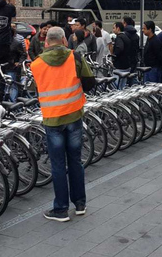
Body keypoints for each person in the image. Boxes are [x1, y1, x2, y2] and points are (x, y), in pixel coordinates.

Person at [30, 26, 95, 221]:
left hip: (52, 119)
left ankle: (60, 209)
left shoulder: (36, 64)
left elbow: (36, 88)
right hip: (74, 116)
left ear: (46, 43)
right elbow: (91, 83)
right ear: (65, 41)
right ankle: (80, 203)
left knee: (58, 164)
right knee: (75, 160)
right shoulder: (75, 57)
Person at [3, 25, 27, 101]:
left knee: (13, 85)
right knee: (5, 85)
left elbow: (23, 54)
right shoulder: (2, 43)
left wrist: (19, 63)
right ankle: (6, 100)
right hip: (3, 67)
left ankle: (12, 101)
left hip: (12, 67)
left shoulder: (16, 43)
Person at [111, 22, 133, 88]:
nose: (113, 30)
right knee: (122, 86)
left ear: (118, 28)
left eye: (114, 28)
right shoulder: (126, 37)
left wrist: (114, 56)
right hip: (127, 64)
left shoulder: (119, 37)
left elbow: (120, 48)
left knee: (116, 86)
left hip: (120, 65)